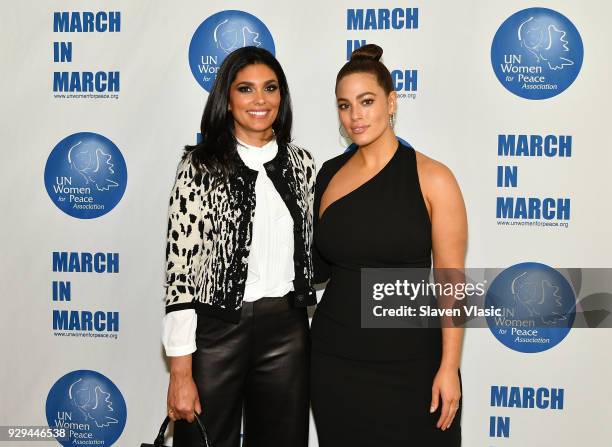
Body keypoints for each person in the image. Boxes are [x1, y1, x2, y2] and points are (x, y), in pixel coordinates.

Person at [310, 44, 467, 446]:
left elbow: (451, 282)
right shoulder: (328, 175)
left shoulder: (434, 178)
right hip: (335, 361)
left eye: (366, 101)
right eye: (344, 105)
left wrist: (449, 367)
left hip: (412, 364)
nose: (355, 116)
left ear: (392, 101)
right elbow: (314, 268)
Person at [161, 46, 317, 447]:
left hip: (287, 332)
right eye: (245, 89)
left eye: (270, 88)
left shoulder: (303, 164)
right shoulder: (199, 166)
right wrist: (180, 372)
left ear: (281, 97)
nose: (260, 99)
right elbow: (181, 273)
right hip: (216, 335)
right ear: (227, 101)